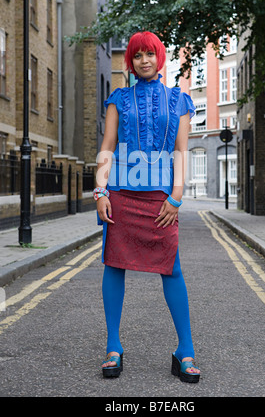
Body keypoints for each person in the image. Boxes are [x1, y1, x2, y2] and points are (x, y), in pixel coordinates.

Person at [94, 31, 200, 383]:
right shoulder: (118, 99)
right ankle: (113, 346)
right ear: (131, 62)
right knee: (114, 265)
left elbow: (181, 153)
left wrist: (176, 196)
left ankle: (184, 350)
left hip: (160, 199)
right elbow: (107, 145)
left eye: (149, 54)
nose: (143, 60)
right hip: (122, 194)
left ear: (160, 57)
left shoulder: (178, 100)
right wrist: (100, 191)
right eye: (137, 56)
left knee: (172, 269)